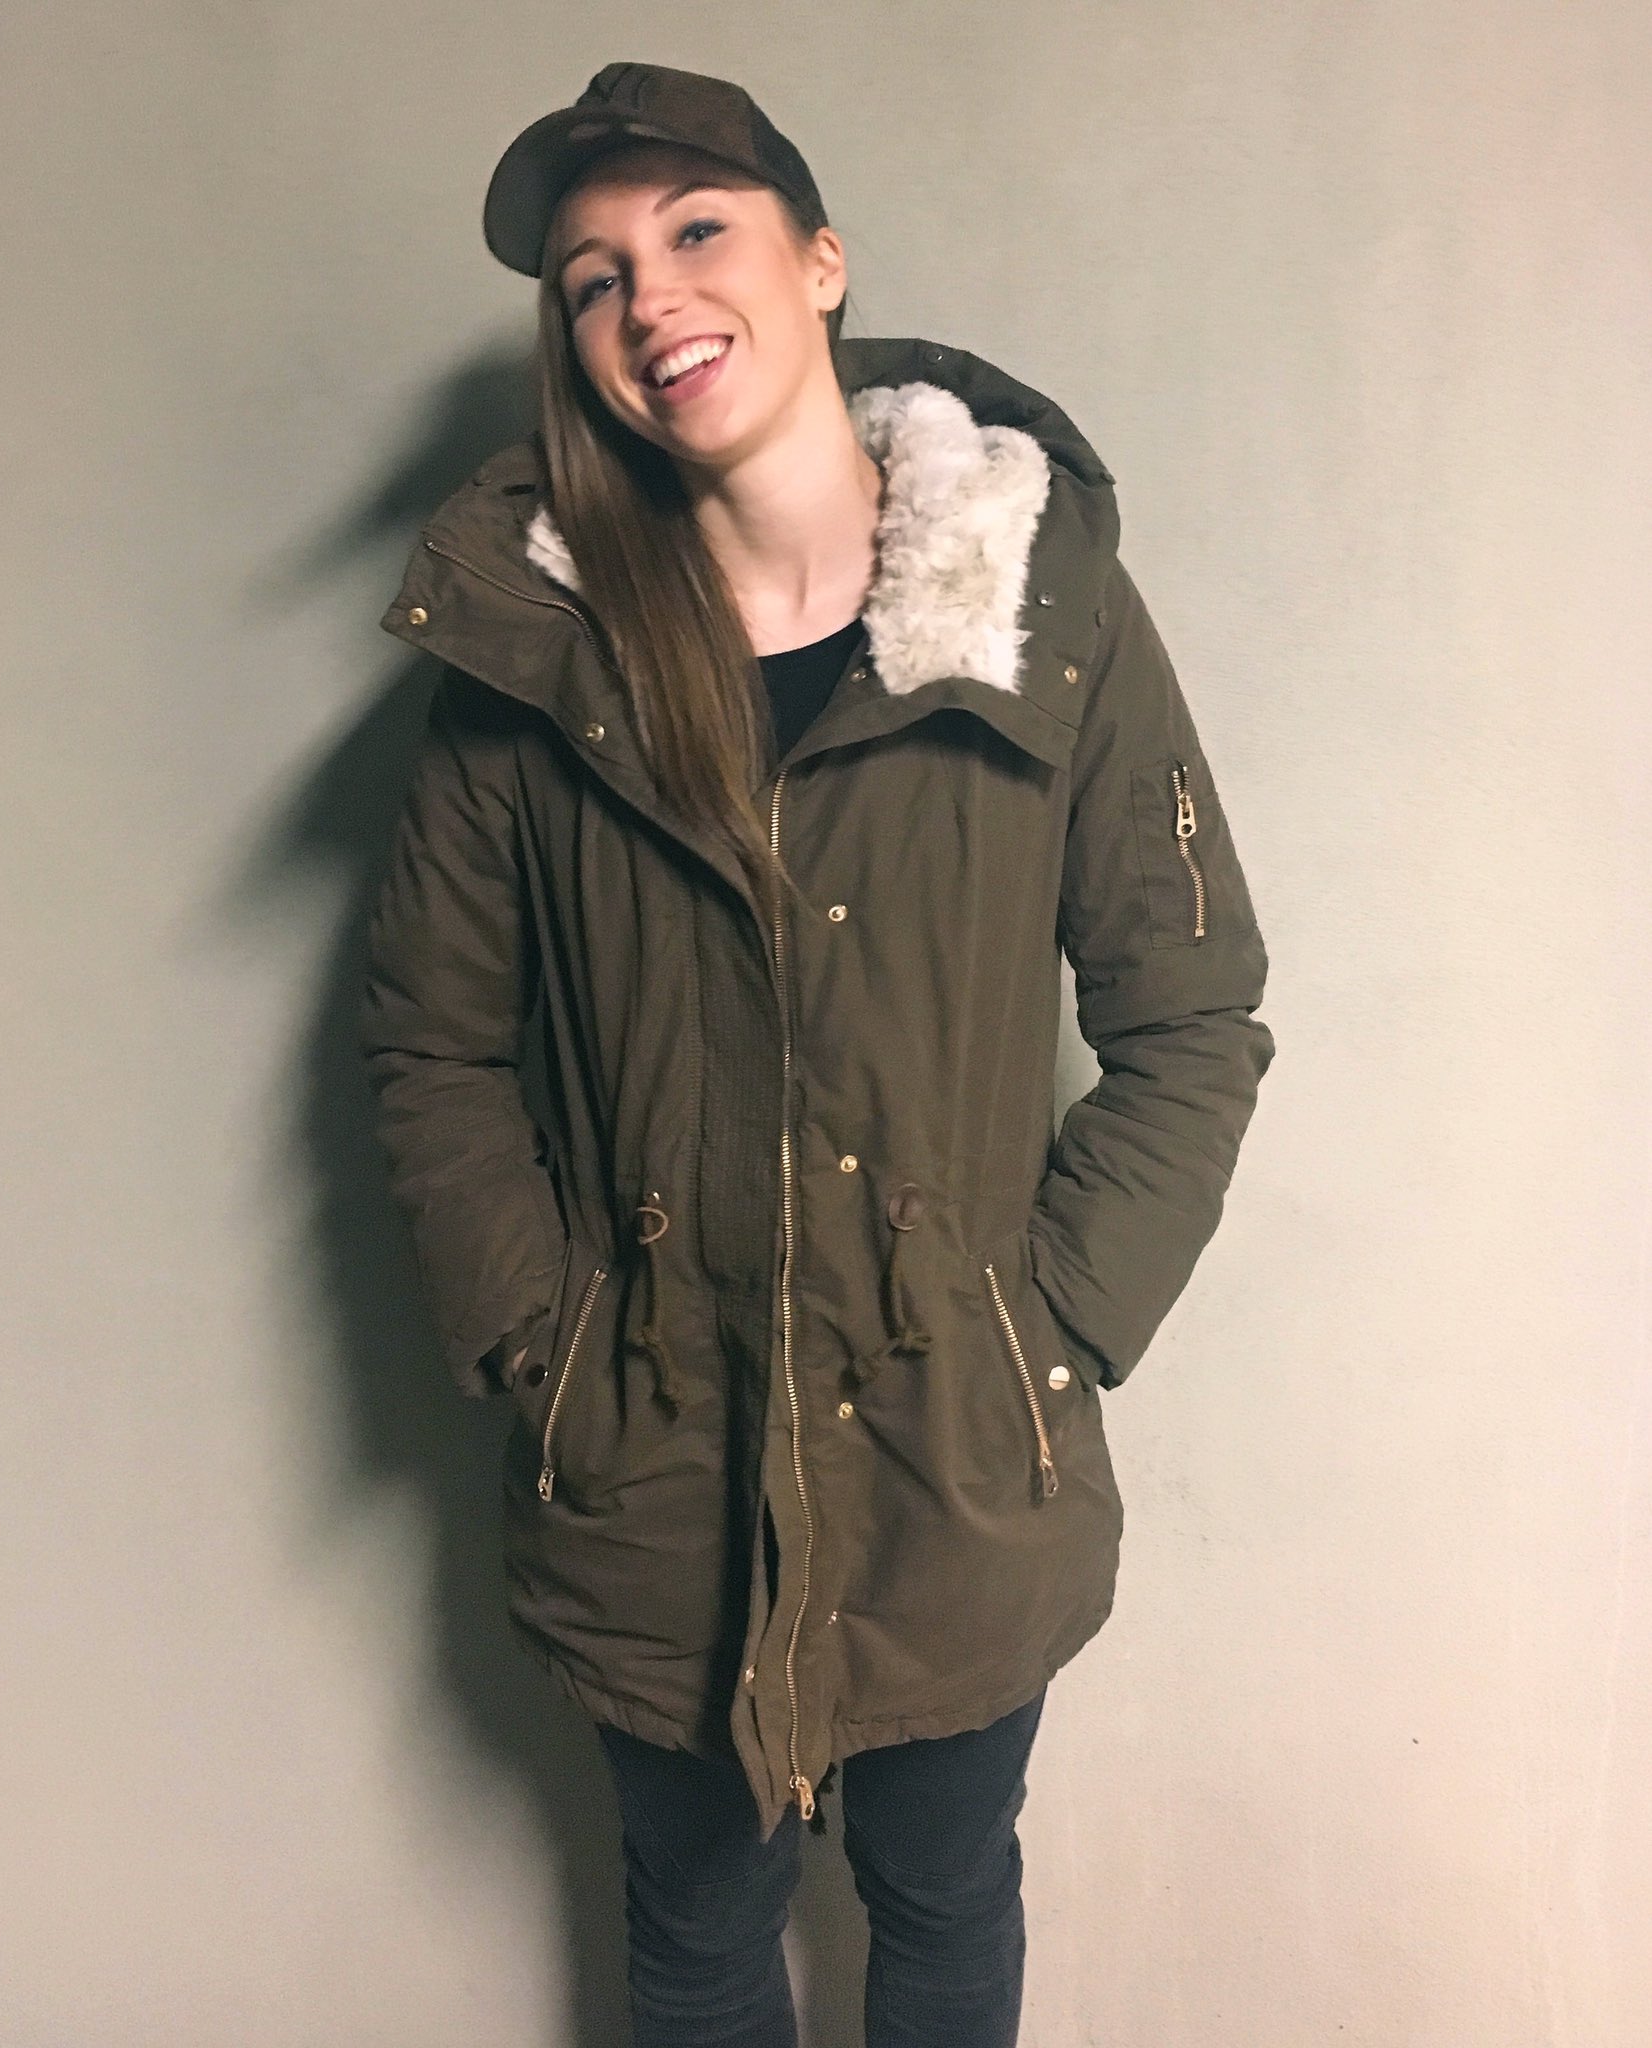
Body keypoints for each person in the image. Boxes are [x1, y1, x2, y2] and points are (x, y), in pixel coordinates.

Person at [359, 59, 1276, 2048]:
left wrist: (1047, 1327)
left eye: (696, 230)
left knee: (942, 1893)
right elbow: (430, 1045)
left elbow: (1192, 1008)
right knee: (696, 1923)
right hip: (649, 1465)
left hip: (959, 1453)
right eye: (593, 277)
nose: (650, 299)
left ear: (819, 261)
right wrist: (545, 1345)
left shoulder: (1041, 607)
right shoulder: (532, 657)